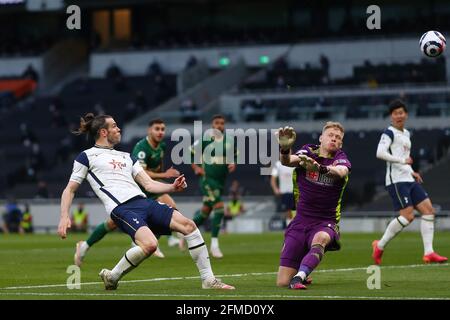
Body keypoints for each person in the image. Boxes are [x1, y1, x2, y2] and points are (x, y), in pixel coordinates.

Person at [57, 113, 234, 290]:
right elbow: (70, 189)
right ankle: (113, 276)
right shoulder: (87, 156)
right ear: (103, 132)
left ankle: (208, 280)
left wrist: (172, 187)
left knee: (189, 226)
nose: (118, 129)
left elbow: (148, 184)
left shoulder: (127, 157)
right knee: (150, 244)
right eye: (114, 126)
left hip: (144, 202)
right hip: (122, 208)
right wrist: (64, 216)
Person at [74, 119, 184, 265]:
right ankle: (86, 246)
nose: (161, 132)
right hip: (137, 188)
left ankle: (157, 240)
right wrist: (164, 176)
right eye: (157, 129)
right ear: (149, 130)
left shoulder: (161, 146)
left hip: (150, 188)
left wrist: (164, 177)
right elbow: (142, 173)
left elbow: (157, 169)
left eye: (163, 129)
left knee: (171, 209)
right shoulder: (141, 147)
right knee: (113, 223)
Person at [275, 122, 351, 290]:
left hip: (325, 222)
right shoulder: (308, 151)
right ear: (321, 138)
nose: (334, 139)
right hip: (300, 221)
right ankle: (302, 268)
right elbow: (287, 161)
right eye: (331, 135)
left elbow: (341, 172)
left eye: (338, 138)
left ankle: (299, 277)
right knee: (281, 282)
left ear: (340, 144)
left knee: (321, 239)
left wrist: (321, 168)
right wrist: (285, 149)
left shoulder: (341, 158)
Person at [372, 99, 447, 264]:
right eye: (395, 113)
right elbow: (380, 153)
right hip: (396, 181)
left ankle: (429, 253)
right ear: (391, 116)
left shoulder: (406, 134)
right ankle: (380, 245)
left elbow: (406, 159)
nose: (399, 116)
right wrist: (402, 161)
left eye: (401, 112)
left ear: (406, 114)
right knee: (408, 217)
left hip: (408, 177)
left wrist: (413, 172)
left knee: (429, 211)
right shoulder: (389, 132)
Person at [191, 115, 236, 258]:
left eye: (222, 123)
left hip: (220, 182)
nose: (219, 125)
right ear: (212, 125)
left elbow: (234, 155)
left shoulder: (229, 141)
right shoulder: (206, 139)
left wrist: (233, 163)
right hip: (207, 179)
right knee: (219, 207)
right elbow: (191, 152)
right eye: (217, 123)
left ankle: (183, 233)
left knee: (205, 212)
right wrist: (196, 168)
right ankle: (214, 245)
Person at [270, 160, 296, 227]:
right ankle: (289, 227)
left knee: (297, 211)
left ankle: (296, 227)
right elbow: (273, 178)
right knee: (287, 211)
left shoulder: (295, 162)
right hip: (284, 192)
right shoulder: (278, 164)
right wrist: (275, 189)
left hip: (295, 191)